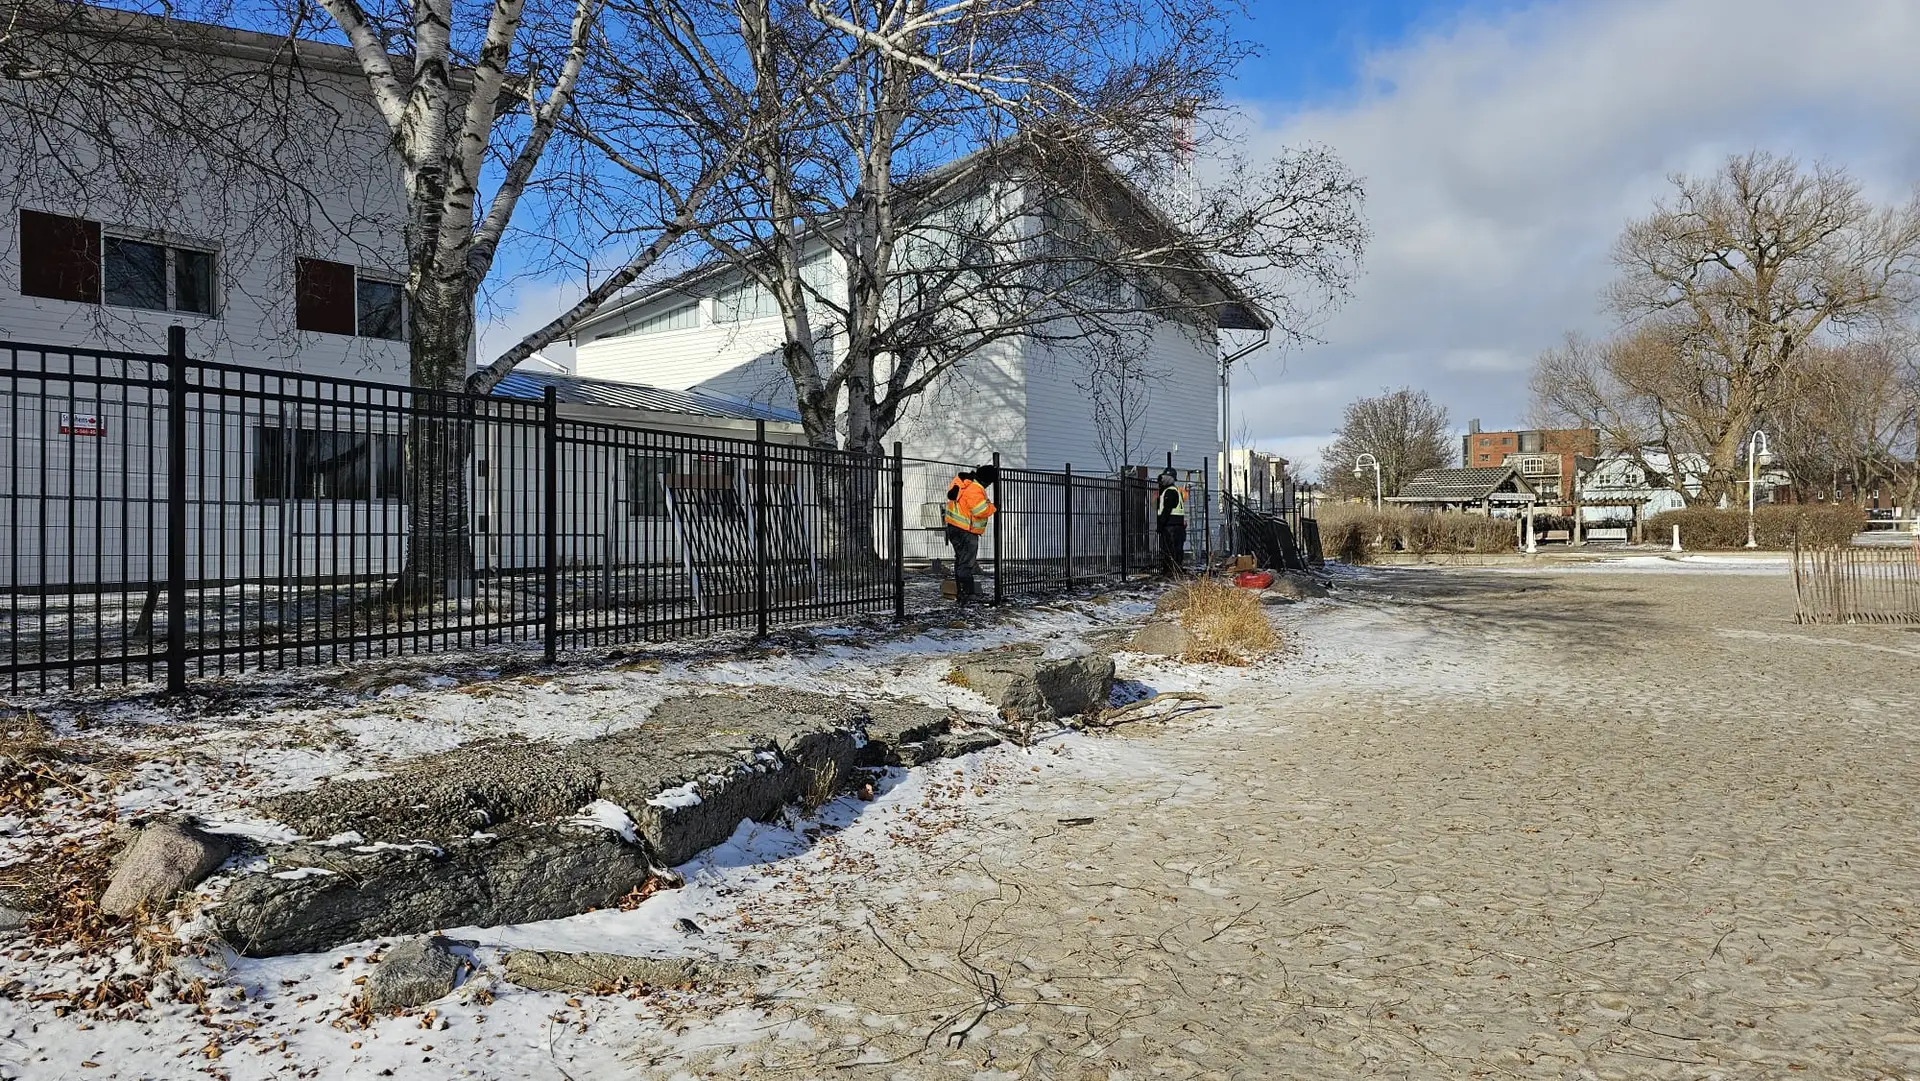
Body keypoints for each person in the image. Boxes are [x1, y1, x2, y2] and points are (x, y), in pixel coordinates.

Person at [944, 463, 998, 604]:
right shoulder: (975, 489)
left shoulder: (964, 484)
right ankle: (967, 594)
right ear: (988, 481)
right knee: (966, 563)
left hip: (954, 527)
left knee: (961, 561)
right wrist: (992, 507)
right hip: (966, 530)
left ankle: (962, 593)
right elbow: (980, 511)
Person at [1156, 470, 1188, 577]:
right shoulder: (1175, 490)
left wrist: (1161, 523)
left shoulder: (1170, 491)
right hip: (1177, 525)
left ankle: (1170, 570)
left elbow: (1167, 509)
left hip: (1171, 525)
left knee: (1169, 549)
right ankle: (1175, 569)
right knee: (1177, 549)